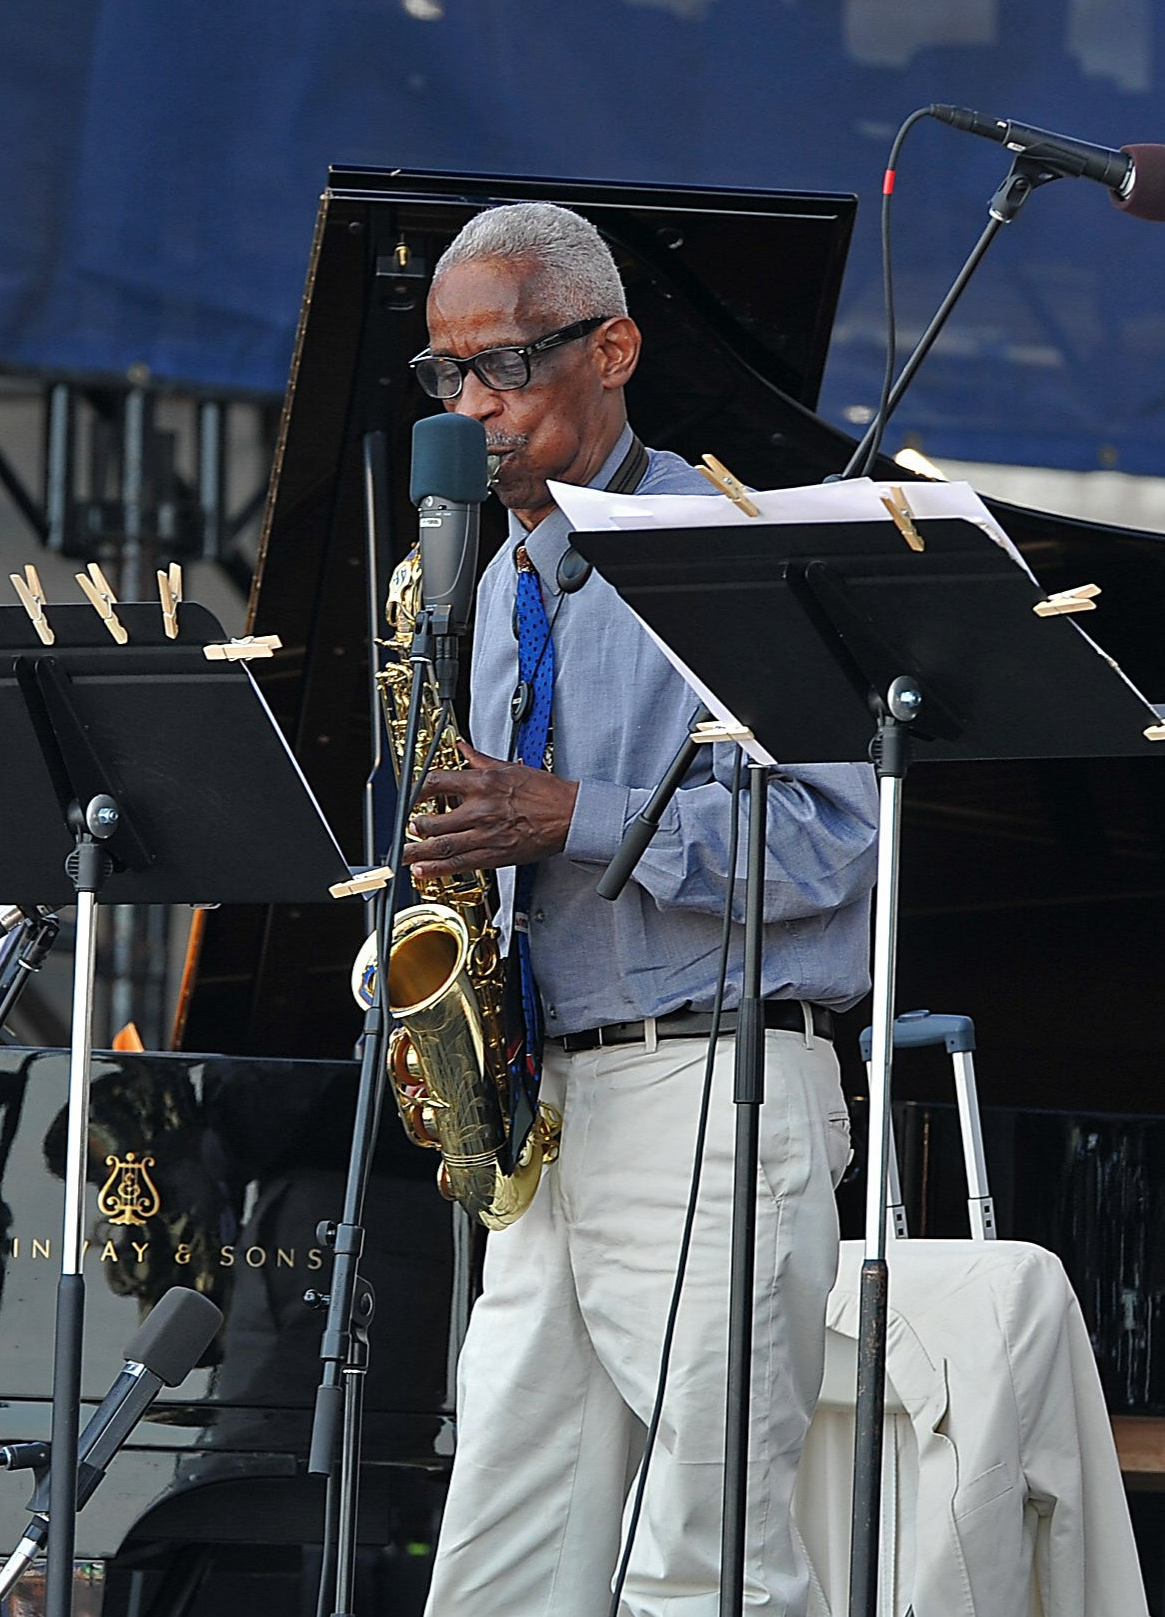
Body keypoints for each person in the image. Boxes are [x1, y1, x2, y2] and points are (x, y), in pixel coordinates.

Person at [400, 201, 876, 1617]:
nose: (471, 406)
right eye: (445, 376)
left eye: (505, 365)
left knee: (708, 1559)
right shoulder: (488, 585)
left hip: (713, 1086)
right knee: (495, 1559)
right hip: (552, 1111)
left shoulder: (736, 548)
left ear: (613, 349)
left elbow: (831, 844)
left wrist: (570, 814)